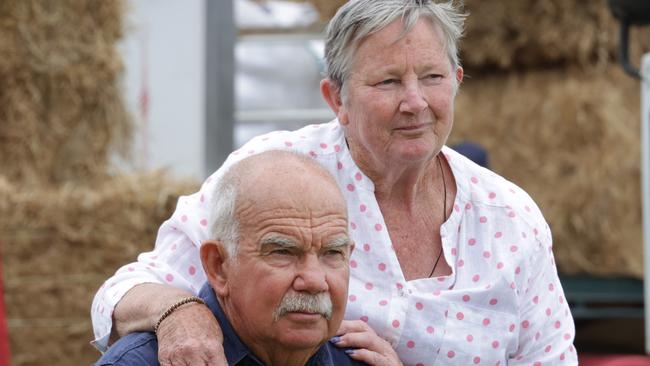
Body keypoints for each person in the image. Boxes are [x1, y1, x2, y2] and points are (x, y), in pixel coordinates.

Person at [92, 1, 578, 365]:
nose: (415, 101)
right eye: (387, 82)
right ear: (336, 98)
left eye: (431, 77)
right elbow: (123, 291)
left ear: (456, 80)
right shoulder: (277, 170)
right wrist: (179, 311)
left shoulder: (509, 218)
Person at [95, 151, 371, 365]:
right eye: (283, 252)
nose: (314, 281)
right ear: (219, 266)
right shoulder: (143, 362)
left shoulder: (362, 360)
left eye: (332, 253)